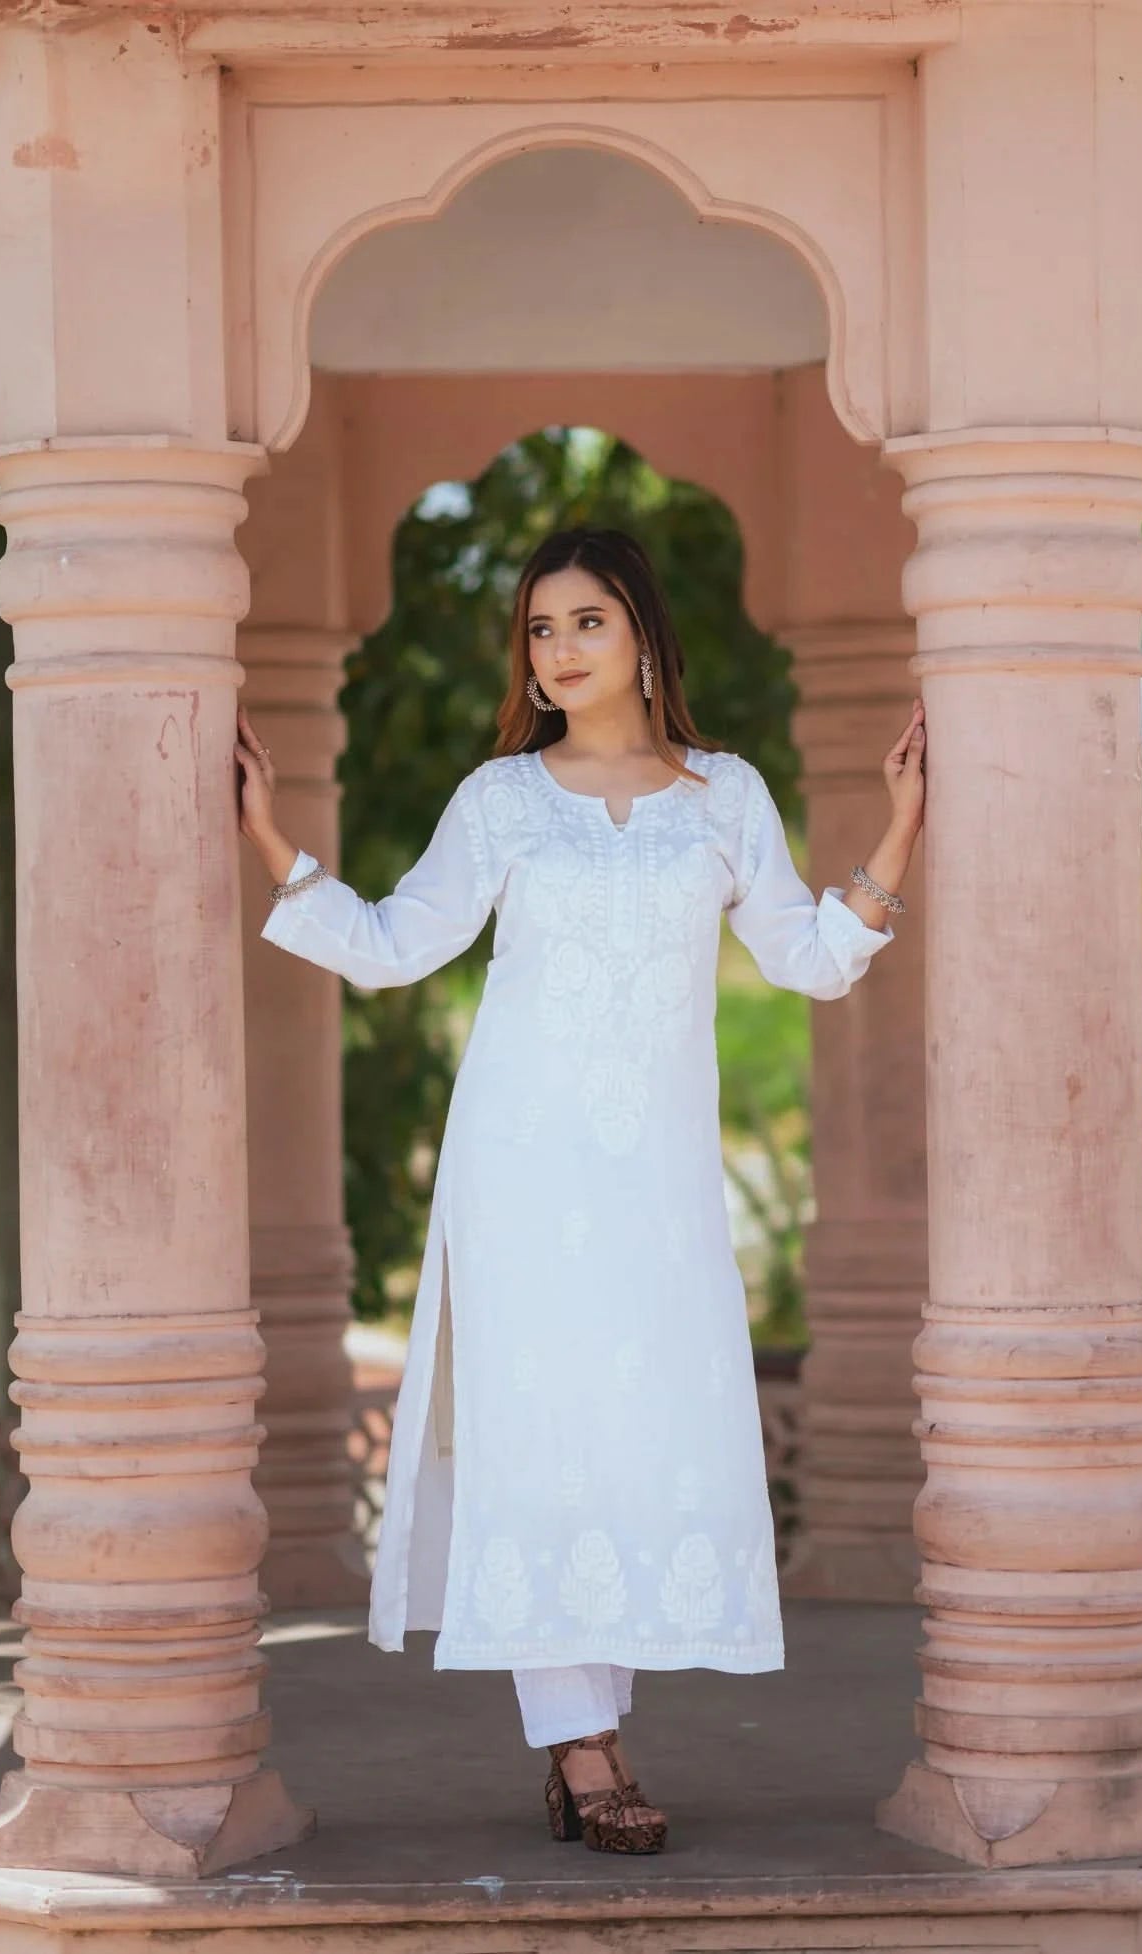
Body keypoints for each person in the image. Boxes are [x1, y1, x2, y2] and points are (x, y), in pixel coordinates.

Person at [235, 526, 926, 1855]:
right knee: (536, 1428)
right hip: (520, 1168)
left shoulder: (725, 797)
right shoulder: (501, 801)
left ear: (645, 633)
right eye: (541, 628)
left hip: (659, 1182)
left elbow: (807, 959)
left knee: (637, 1425)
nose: (558, 649)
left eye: (586, 621)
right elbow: (391, 946)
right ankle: (583, 1742)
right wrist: (270, 838)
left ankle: (588, 1733)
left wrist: (900, 829)